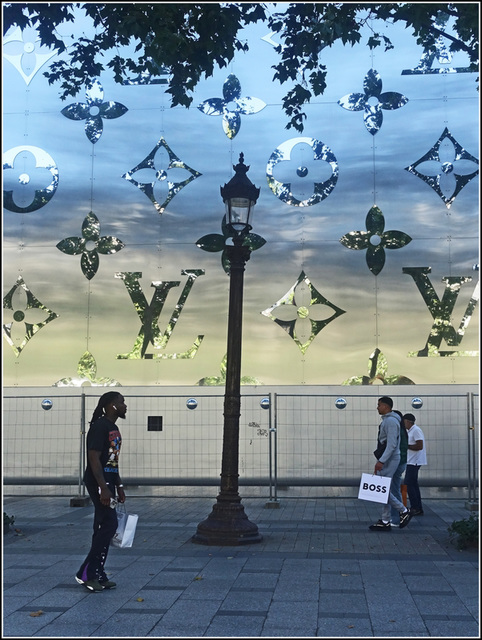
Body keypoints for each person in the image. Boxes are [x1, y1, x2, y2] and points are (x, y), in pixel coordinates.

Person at [75, 391, 127, 592]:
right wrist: (104, 487)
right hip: (99, 482)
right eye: (122, 402)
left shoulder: (112, 427)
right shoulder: (99, 427)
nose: (125, 406)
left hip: (108, 482)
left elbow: (112, 460)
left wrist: (119, 485)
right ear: (112, 405)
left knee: (102, 526)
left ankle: (97, 572)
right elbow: (94, 458)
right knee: (110, 523)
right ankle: (86, 573)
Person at [369, 396, 413, 531]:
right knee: (383, 487)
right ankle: (385, 519)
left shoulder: (390, 422)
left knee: (382, 488)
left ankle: (403, 510)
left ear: (386, 406)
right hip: (390, 458)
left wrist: (381, 461)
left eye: (379, 405)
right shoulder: (391, 421)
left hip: (389, 459)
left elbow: (392, 444)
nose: (377, 407)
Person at [403, 413, 427, 516]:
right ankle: (418, 507)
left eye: (404, 422)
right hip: (412, 461)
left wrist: (406, 446)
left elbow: (419, 446)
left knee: (408, 483)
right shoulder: (411, 431)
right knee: (413, 484)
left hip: (414, 461)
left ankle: (415, 507)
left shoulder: (416, 430)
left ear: (408, 421)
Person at [390, 409, 408, 526]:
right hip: (402, 463)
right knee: (394, 489)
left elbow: (392, 446)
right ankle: (397, 516)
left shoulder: (397, 430)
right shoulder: (403, 430)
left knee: (392, 490)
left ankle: (399, 515)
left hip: (396, 463)